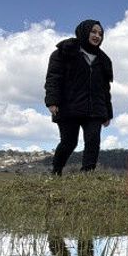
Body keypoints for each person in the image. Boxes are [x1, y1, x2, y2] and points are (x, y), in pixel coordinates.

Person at [44, 19, 113, 175]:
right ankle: (56, 171)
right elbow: (53, 78)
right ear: (84, 32)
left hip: (95, 108)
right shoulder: (64, 51)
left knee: (93, 140)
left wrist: (108, 113)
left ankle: (87, 175)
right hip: (69, 106)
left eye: (100, 33)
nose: (97, 36)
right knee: (69, 142)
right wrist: (52, 101)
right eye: (93, 32)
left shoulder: (104, 60)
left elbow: (105, 89)